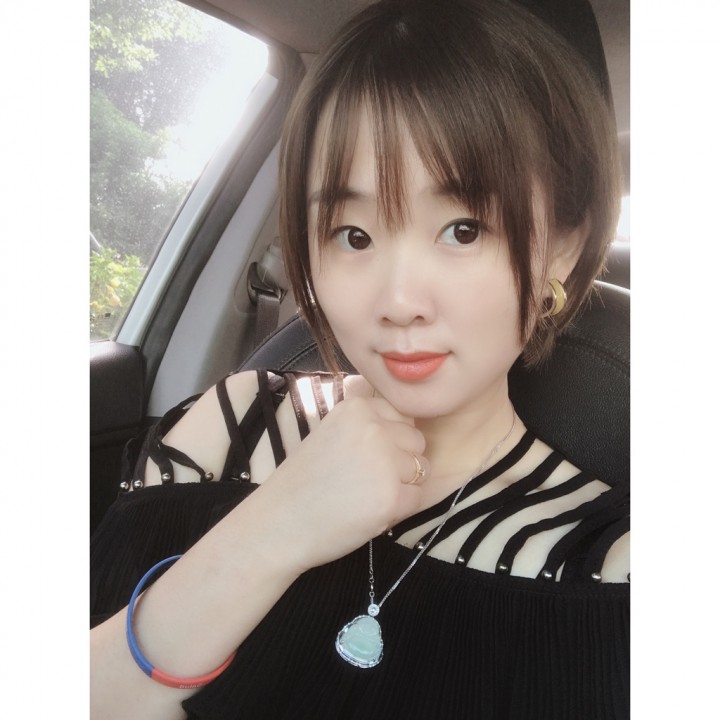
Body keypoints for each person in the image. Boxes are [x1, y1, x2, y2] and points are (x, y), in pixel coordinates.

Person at [90, 0, 629, 717]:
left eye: (464, 229)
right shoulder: (232, 425)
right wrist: (274, 528)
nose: (399, 301)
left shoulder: (608, 569)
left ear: (563, 246)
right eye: (353, 234)